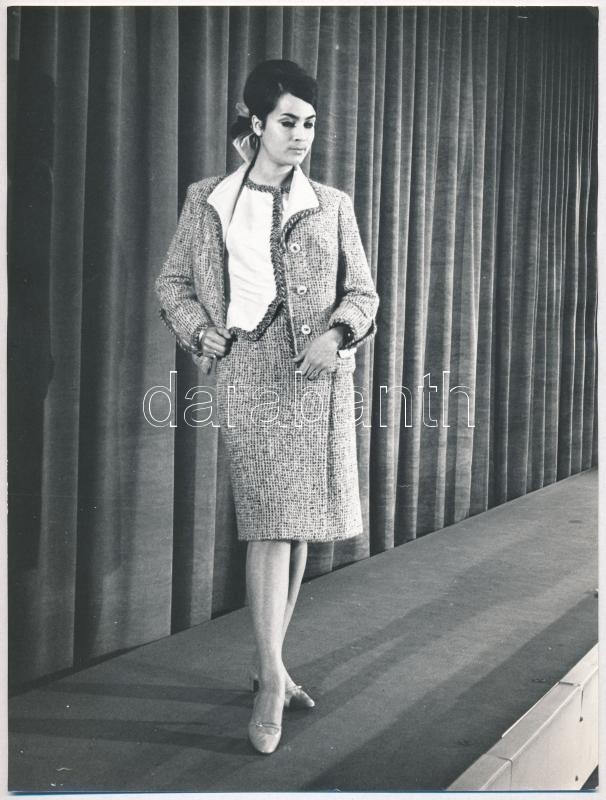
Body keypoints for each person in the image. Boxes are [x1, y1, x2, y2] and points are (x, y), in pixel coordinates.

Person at [155, 59, 379, 754]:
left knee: (296, 527)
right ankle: (272, 682)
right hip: (249, 373)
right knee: (268, 524)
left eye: (309, 123)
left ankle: (268, 668)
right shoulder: (209, 199)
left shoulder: (332, 203)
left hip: (315, 379)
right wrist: (198, 329)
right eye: (287, 122)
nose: (301, 134)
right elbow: (172, 284)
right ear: (256, 123)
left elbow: (364, 294)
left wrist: (335, 336)